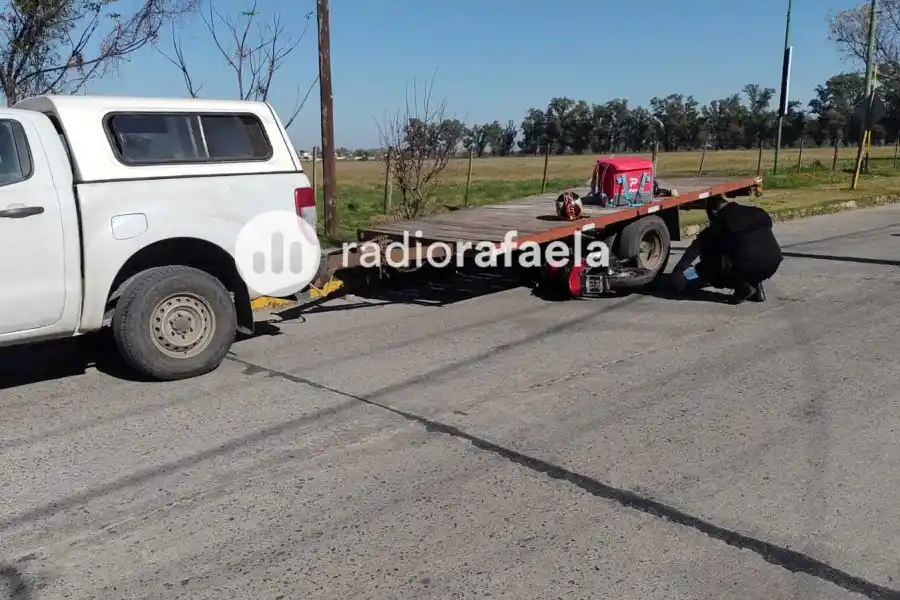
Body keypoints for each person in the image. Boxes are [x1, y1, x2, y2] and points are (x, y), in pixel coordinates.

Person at [669, 196, 782, 304]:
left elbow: (696, 248)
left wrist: (679, 270)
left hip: (748, 265)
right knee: (747, 252)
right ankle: (756, 285)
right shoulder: (757, 212)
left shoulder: (721, 221)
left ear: (713, 212)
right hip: (773, 263)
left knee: (711, 263)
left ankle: (742, 288)